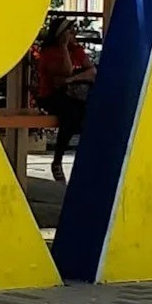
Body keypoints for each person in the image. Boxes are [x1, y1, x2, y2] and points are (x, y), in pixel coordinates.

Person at [30, 19, 96, 184]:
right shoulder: (50, 52)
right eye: (69, 30)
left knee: (86, 115)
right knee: (72, 115)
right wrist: (64, 48)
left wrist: (71, 79)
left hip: (73, 96)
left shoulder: (78, 50)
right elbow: (66, 70)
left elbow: (92, 72)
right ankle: (58, 160)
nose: (73, 33)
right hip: (51, 96)